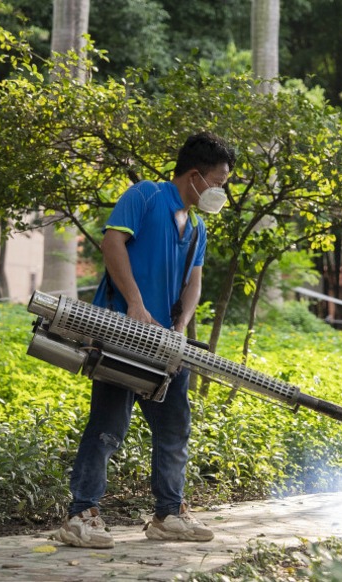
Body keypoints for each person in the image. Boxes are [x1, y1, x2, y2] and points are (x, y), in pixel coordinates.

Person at [55, 132, 236, 549]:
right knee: (108, 425)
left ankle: (168, 514)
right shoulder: (144, 197)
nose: (220, 192)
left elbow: (194, 282)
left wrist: (180, 328)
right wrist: (135, 305)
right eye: (219, 182)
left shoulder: (196, 226)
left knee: (175, 427)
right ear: (195, 175)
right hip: (122, 332)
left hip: (167, 345)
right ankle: (81, 515)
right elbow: (112, 243)